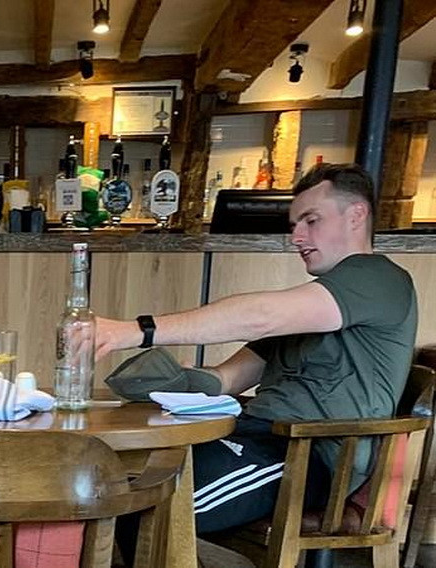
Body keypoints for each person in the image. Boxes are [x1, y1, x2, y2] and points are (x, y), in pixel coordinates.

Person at [96, 163, 417, 534]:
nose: (297, 237)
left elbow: (260, 316)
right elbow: (226, 380)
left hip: (305, 457)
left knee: (143, 505)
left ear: (356, 215)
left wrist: (136, 331)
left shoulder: (378, 278)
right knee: (112, 481)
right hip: (252, 437)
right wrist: (173, 381)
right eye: (294, 225)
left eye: (311, 220)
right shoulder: (314, 305)